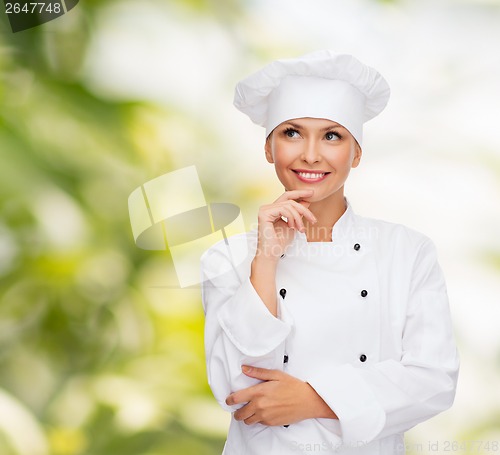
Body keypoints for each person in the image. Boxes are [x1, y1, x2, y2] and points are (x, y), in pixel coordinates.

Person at [200, 50, 459, 455]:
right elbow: (239, 392)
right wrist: (265, 262)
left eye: (332, 136)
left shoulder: (406, 252)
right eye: (291, 133)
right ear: (268, 148)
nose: (311, 155)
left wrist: (314, 399)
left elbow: (433, 379)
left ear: (356, 153)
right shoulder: (228, 258)